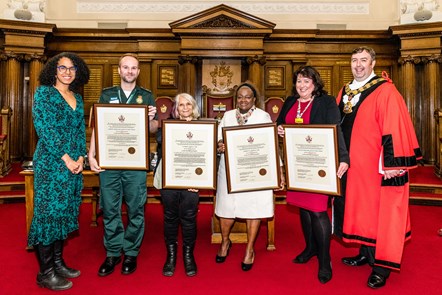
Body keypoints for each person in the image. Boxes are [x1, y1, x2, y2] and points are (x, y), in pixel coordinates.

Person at [333, 46, 422, 289]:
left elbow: (393, 125)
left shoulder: (386, 91)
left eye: (363, 60)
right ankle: (366, 253)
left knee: (383, 215)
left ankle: (382, 267)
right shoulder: (345, 91)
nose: (358, 65)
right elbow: (334, 125)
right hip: (353, 168)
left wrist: (393, 164)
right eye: (354, 60)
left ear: (373, 63)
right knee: (363, 210)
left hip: (378, 168)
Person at [276, 66, 349, 284]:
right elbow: (280, 122)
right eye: (299, 81)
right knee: (304, 209)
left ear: (315, 84)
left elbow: (336, 130)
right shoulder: (290, 101)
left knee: (317, 211)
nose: (302, 85)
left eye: (306, 81)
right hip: (297, 165)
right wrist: (279, 128)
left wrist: (344, 158)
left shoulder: (325, 102)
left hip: (320, 164)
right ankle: (310, 248)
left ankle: (325, 260)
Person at [88, 53, 158, 277]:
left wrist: (150, 119)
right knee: (110, 209)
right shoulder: (107, 94)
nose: (129, 71)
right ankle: (112, 252)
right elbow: (99, 127)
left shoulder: (146, 96)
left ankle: (131, 252)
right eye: (125, 67)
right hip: (110, 162)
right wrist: (91, 156)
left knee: (136, 209)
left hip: (135, 164)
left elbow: (153, 130)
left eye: (133, 68)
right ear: (119, 70)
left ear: (138, 72)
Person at [28, 52, 90, 291]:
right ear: (54, 70)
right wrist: (66, 158)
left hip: (73, 164)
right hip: (52, 163)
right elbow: (45, 129)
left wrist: (81, 157)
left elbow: (78, 130)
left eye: (72, 68)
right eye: (62, 68)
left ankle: (57, 262)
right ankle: (45, 273)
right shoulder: (44, 93)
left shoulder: (77, 96)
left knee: (64, 211)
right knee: (48, 214)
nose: (67, 72)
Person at [215, 81, 285, 271]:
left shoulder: (263, 116)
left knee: (254, 208)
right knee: (225, 207)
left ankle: (249, 249)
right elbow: (219, 139)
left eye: (247, 96)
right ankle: (225, 242)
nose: (243, 100)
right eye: (240, 96)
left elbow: (271, 143)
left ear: (254, 99)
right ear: (235, 99)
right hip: (229, 170)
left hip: (255, 171)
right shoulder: (228, 116)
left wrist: (279, 170)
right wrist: (219, 145)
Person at [153, 93, 200, 277]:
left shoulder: (202, 127)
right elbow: (161, 144)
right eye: (181, 105)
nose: (185, 108)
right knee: (170, 216)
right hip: (170, 177)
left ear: (193, 106)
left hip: (192, 181)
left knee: (189, 217)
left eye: (188, 104)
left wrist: (200, 180)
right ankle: (171, 255)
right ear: (176, 108)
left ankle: (188, 255)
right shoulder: (167, 126)